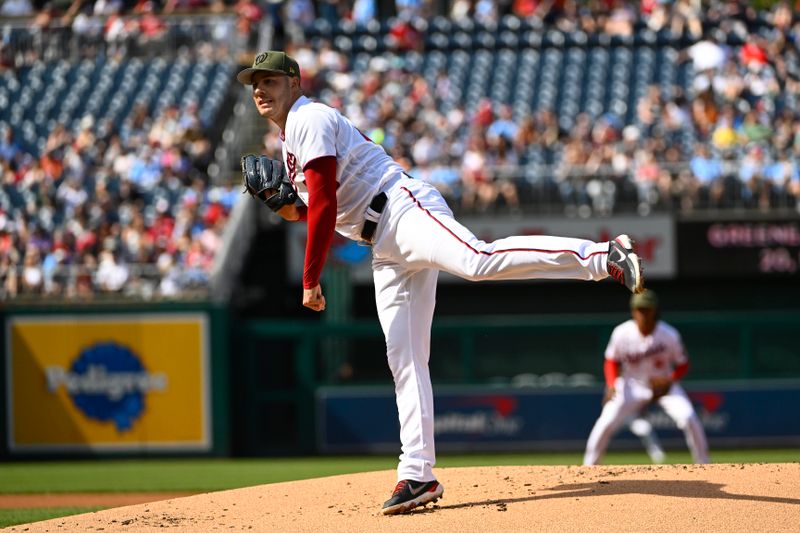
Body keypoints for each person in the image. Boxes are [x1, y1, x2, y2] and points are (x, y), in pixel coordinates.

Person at [236, 50, 645, 515]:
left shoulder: (308, 118)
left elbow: (327, 203)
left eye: (269, 80)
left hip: (403, 210)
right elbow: (314, 207)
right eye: (254, 83)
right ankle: (418, 474)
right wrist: (289, 208)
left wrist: (311, 278)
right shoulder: (293, 139)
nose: (260, 90)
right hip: (382, 245)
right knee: (405, 360)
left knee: (477, 259)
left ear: (294, 82)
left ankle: (601, 255)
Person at [583, 289, 709, 466]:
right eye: (639, 309)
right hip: (630, 384)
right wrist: (611, 384)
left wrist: (671, 379)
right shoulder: (622, 333)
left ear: (655, 310)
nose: (643, 313)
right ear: (633, 311)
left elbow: (683, 363)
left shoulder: (669, 334)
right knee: (605, 423)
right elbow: (611, 361)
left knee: (688, 417)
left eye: (647, 309)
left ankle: (704, 465)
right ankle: (588, 469)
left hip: (663, 384)